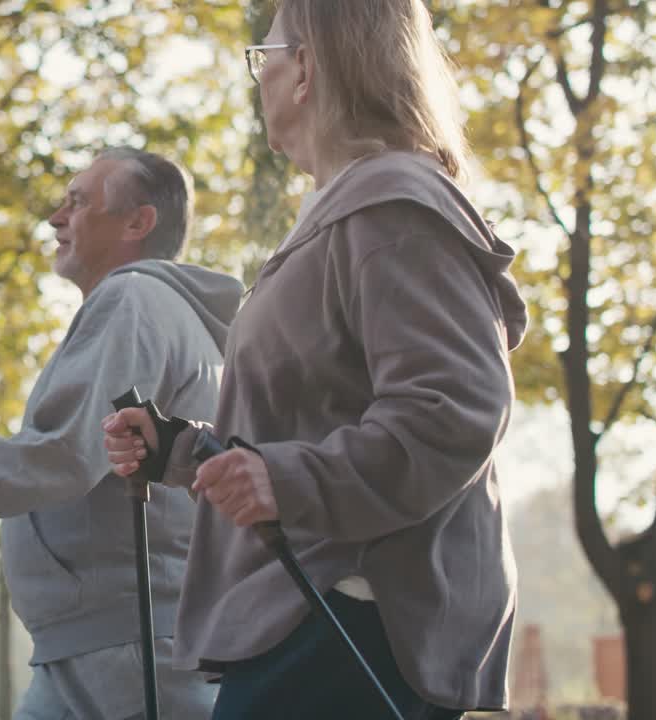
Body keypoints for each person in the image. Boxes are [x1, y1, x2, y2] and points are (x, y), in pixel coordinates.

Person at [102, 2, 529, 718]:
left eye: (262, 56)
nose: (259, 76)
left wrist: (285, 480)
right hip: (315, 615)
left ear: (304, 69)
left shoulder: (393, 206)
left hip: (350, 622)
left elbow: (451, 411)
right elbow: (312, 419)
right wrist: (182, 451)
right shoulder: (346, 211)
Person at [0, 147, 243, 719]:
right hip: (106, 649)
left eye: (77, 202)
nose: (56, 218)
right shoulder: (162, 313)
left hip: (123, 655)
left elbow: (62, 456)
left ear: (137, 222)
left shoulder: (132, 300)